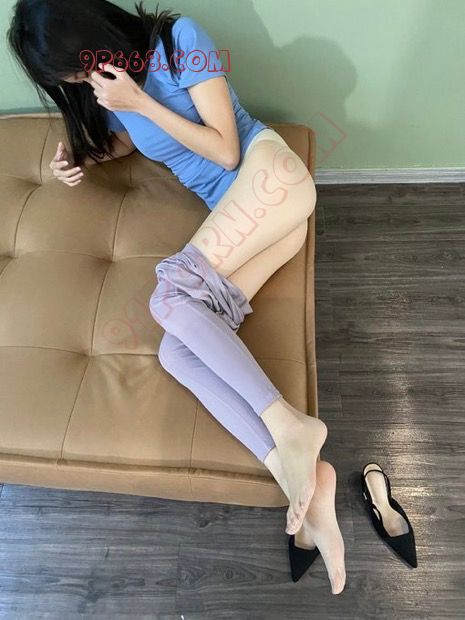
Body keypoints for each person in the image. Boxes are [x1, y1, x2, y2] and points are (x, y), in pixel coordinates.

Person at [7, 0, 345, 594]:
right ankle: (301, 474)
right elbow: (133, 141)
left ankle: (291, 426)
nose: (82, 83)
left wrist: (139, 100)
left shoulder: (180, 40)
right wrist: (80, 154)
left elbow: (226, 150)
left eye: (77, 70)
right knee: (176, 351)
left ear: (92, 35)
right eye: (71, 80)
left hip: (271, 178)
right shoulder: (109, 90)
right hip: (258, 223)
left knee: (168, 297)